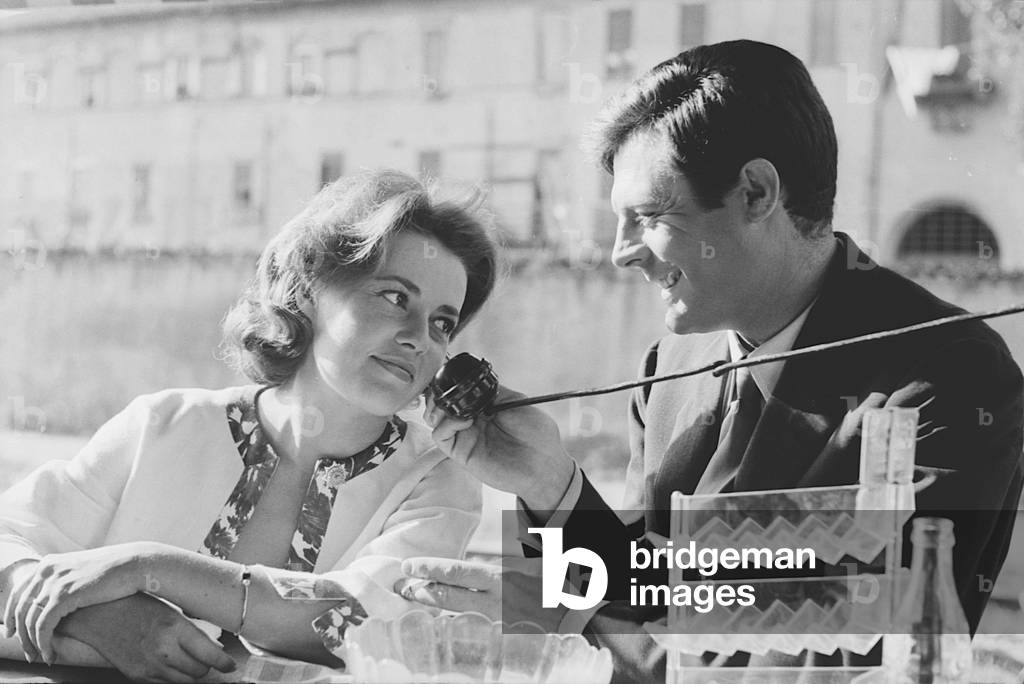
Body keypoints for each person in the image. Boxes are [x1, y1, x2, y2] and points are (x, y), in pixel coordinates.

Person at [399, 40, 1024, 683]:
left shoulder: (946, 377)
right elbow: (654, 586)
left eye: (646, 216)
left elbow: (836, 662)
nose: (620, 253)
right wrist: (550, 484)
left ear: (755, 192)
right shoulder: (670, 364)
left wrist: (569, 609)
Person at [0, 169, 499, 681]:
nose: (421, 338)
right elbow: (11, 539)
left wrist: (147, 566)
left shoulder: (436, 479)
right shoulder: (163, 424)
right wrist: (95, 618)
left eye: (443, 322)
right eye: (396, 297)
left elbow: (355, 621)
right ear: (308, 289)